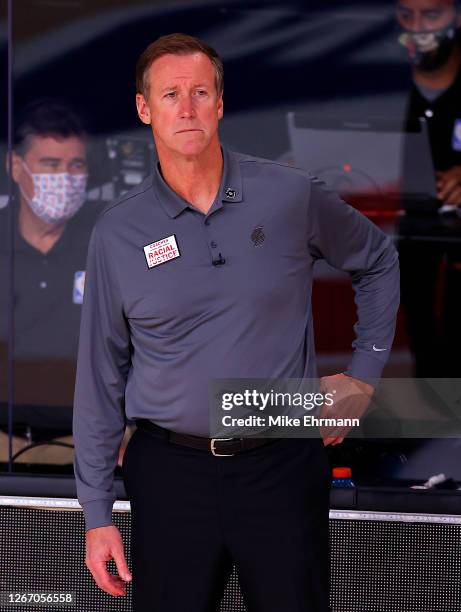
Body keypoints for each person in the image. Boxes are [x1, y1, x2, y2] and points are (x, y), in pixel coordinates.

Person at [73, 33, 400, 611]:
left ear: (221, 104)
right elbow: (100, 377)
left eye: (201, 92)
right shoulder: (118, 234)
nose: (188, 107)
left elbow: (378, 260)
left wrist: (364, 376)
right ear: (144, 108)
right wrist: (96, 512)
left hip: (281, 462)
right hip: (169, 474)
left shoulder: (289, 196)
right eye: (170, 94)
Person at [0, 100, 100, 462]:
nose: (65, 178)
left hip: (87, 447)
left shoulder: (106, 241)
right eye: (50, 164)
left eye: (75, 165)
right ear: (16, 166)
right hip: (3, 446)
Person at [397, 0, 461, 377]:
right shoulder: (383, 80)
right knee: (416, 310)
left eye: (432, 14)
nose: (418, 26)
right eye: (407, 14)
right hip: (404, 227)